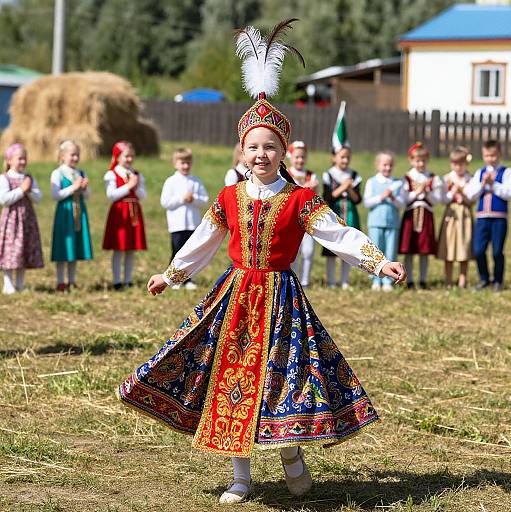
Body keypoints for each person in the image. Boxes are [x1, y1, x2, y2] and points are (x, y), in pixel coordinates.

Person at [117, 20, 406, 505]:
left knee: (283, 378)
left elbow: (339, 235)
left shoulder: (300, 199)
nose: (261, 154)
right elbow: (203, 241)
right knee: (232, 379)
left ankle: (291, 455)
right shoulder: (228, 196)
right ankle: (241, 477)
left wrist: (379, 262)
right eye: (253, 146)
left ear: (283, 153)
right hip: (234, 299)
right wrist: (170, 274)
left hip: (281, 300)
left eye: (270, 146)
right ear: (242, 151)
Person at [466, 140, 511, 292]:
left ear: (499, 154)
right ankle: (483, 278)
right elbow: (471, 194)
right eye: (487, 155)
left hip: (499, 218)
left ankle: (498, 280)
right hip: (482, 218)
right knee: (478, 250)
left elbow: (508, 193)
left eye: (493, 155)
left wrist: (493, 184)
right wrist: (482, 184)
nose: (490, 158)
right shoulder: (480, 173)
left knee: (497, 251)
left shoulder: (506, 172)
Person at [160, 147, 209, 290]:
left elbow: (204, 200)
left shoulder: (196, 181)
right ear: (175, 163)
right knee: (177, 251)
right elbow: (165, 202)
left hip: (193, 224)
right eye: (182, 163)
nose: (186, 166)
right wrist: (182, 198)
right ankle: (173, 279)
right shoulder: (171, 181)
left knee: (189, 253)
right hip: (177, 224)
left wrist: (193, 198)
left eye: (188, 163)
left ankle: (188, 279)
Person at [102, 141, 147, 289]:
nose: (129, 159)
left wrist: (137, 185)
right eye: (126, 156)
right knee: (119, 247)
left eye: (131, 156)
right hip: (120, 213)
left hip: (133, 212)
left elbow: (142, 195)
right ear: (117, 156)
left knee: (130, 248)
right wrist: (129, 186)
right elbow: (111, 195)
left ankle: (127, 280)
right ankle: (116, 281)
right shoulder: (112, 174)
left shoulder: (136, 174)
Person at [399, 142, 443, 289]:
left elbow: (437, 200)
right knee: (409, 249)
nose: (420, 164)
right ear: (411, 160)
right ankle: (409, 280)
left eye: (423, 160)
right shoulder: (407, 178)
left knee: (424, 250)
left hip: (426, 215)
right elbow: (404, 199)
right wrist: (416, 193)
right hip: (411, 215)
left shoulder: (432, 178)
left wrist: (426, 192)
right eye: (417, 160)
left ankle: (423, 280)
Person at [0, 143, 44, 294]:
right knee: (11, 250)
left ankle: (20, 283)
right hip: (11, 221)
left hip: (27, 220)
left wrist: (29, 190)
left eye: (25, 159)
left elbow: (39, 198)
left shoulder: (28, 178)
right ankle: (7, 283)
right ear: (9, 160)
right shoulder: (4, 178)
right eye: (20, 159)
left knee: (24, 249)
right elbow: (4, 199)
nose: (23, 162)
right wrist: (21, 190)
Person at [50, 140, 93, 291]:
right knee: (64, 244)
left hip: (79, 211)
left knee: (75, 244)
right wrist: (73, 188)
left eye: (77, 155)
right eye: (72, 155)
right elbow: (55, 195)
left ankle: (72, 280)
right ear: (62, 156)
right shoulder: (58, 173)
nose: (75, 158)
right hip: (65, 212)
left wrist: (84, 188)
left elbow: (88, 196)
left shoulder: (81, 173)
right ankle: (61, 281)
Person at [322, 145, 362, 289]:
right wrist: (342, 187)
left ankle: (345, 280)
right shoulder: (329, 175)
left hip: (350, 214)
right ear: (334, 157)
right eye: (342, 157)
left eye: (347, 157)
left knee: (349, 247)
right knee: (332, 247)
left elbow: (357, 199)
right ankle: (331, 280)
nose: (345, 160)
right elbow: (327, 197)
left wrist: (349, 188)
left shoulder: (355, 176)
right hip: (334, 213)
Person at [363, 151, 403, 292]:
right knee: (376, 251)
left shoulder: (397, 183)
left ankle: (388, 280)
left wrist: (392, 198)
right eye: (384, 165)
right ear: (378, 165)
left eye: (390, 165)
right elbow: (367, 202)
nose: (387, 168)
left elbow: (401, 204)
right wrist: (381, 196)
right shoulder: (372, 182)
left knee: (390, 251)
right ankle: (375, 279)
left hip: (392, 223)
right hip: (375, 222)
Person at [436, 147, 474, 288]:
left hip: (464, 216)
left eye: (461, 164)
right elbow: (443, 200)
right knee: (449, 247)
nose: (458, 167)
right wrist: (452, 192)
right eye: (455, 164)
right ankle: (449, 280)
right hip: (451, 216)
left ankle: (462, 280)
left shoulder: (470, 179)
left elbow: (472, 200)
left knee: (464, 247)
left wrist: (462, 194)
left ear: (466, 164)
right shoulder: (447, 179)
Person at [287, 140, 319, 287]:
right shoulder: (286, 174)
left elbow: (317, 197)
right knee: (293, 252)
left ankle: (305, 281)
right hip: (292, 218)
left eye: (302, 157)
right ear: (290, 157)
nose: (300, 160)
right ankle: (293, 280)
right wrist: (305, 188)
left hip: (308, 217)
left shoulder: (312, 176)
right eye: (297, 157)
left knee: (308, 251)